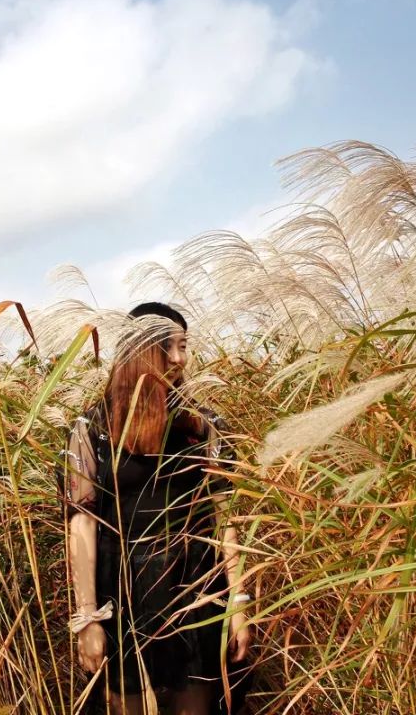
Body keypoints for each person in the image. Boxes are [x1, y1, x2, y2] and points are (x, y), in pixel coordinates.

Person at [63, 302, 252, 715]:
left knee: (197, 704)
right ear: (139, 351)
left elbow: (226, 516)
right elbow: (82, 524)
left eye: (184, 346)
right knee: (126, 705)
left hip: (196, 585)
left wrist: (239, 604)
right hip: (122, 589)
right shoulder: (93, 429)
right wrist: (87, 618)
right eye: (169, 347)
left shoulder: (200, 425)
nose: (180, 359)